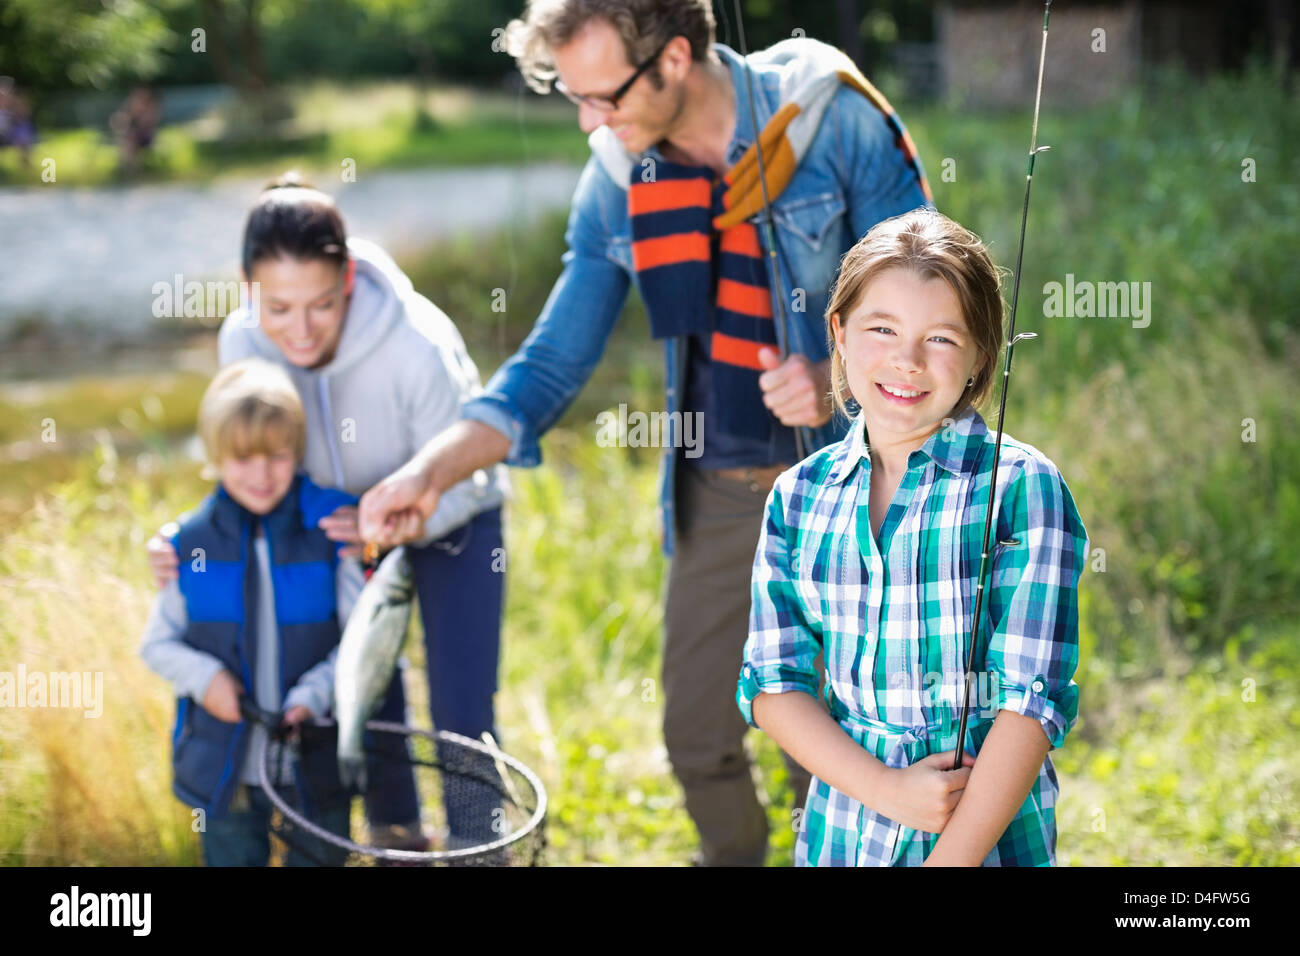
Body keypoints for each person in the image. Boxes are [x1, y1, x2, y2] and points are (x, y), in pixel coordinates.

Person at [358, 0, 932, 865]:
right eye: (574, 98)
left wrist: (838, 379)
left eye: (604, 97)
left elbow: (938, 304)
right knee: (696, 735)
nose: (590, 122)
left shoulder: (830, 120)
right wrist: (427, 475)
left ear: (671, 57)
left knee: (844, 746)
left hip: (862, 495)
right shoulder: (622, 178)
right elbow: (551, 362)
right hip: (723, 497)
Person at [146, 173, 510, 851]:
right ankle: (398, 843)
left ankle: (479, 850)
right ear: (248, 288)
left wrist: (409, 518)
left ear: (346, 281)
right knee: (361, 693)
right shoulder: (242, 343)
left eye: (320, 304)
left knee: (462, 710)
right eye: (278, 309)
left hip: (452, 522)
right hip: (334, 539)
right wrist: (186, 536)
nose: (300, 331)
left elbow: (481, 474)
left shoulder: (416, 346)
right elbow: (246, 462)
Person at [737, 208, 1089, 866]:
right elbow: (773, 685)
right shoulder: (798, 497)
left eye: (942, 339)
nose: (906, 360)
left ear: (981, 356)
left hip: (983, 841)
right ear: (838, 333)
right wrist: (887, 790)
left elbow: (1029, 706)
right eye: (881, 329)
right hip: (843, 834)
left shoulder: (1021, 489)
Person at [140, 358, 358, 866]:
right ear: (215, 457)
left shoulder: (332, 539)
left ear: (297, 453)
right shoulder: (188, 546)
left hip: (315, 757)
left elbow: (361, 644)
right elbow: (156, 644)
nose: (261, 475)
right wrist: (207, 679)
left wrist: (315, 694)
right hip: (225, 767)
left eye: (277, 457)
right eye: (242, 459)